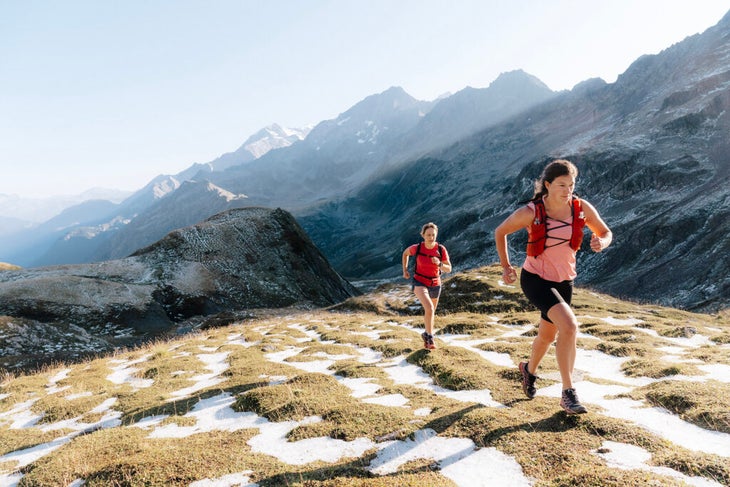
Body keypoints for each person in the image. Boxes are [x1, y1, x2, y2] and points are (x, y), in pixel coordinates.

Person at [494, 159, 612, 414]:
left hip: (564, 281)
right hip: (536, 279)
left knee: (547, 336)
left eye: (571, 184)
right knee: (569, 326)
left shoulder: (580, 208)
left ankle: (528, 370)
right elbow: (500, 232)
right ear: (547, 185)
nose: (567, 189)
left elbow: (605, 232)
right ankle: (568, 393)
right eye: (561, 185)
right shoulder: (532, 211)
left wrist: (602, 242)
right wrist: (506, 266)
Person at [402, 222, 452, 350]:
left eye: (433, 235)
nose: (431, 237)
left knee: (431, 312)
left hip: (435, 283)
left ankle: (426, 334)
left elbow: (449, 269)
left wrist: (439, 264)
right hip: (419, 281)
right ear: (423, 235)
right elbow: (405, 253)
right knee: (429, 308)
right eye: (428, 235)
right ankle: (430, 338)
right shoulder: (417, 248)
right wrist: (405, 270)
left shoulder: (441, 249)